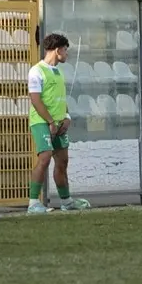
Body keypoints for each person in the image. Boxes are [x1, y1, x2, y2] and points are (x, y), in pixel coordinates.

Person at [27, 33, 90, 213]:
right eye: (65, 50)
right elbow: (35, 100)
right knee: (45, 158)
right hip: (42, 122)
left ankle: (66, 201)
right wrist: (49, 122)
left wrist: (67, 118)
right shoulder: (36, 71)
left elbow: (60, 100)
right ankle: (33, 203)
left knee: (62, 161)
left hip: (58, 123)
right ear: (57, 50)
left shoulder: (58, 71)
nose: (66, 54)